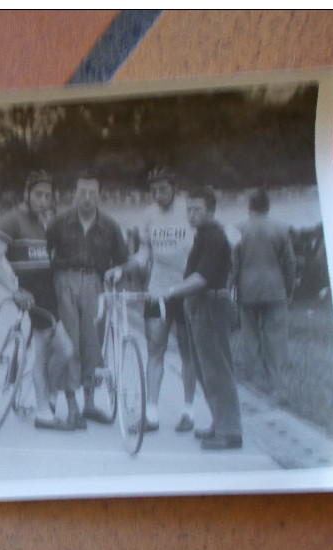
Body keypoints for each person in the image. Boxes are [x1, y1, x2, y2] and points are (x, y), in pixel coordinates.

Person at [106, 166, 197, 433]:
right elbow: (143, 254)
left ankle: (189, 411)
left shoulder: (188, 209)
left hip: (185, 289)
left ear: (174, 188)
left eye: (164, 189)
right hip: (157, 290)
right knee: (155, 349)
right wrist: (122, 269)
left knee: (187, 352)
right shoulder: (149, 215)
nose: (159, 194)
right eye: (154, 190)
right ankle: (152, 414)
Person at [0, 170, 75, 430]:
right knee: (55, 350)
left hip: (48, 292)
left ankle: (45, 401)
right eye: (38, 194)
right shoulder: (11, 221)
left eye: (47, 196)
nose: (43, 200)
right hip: (31, 294)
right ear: (26, 193)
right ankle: (43, 411)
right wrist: (13, 290)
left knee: (58, 351)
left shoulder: (41, 223)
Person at [47, 172, 130, 429]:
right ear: (74, 194)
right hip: (64, 281)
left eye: (92, 193)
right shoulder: (59, 222)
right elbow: (44, 255)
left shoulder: (110, 226)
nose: (86, 198)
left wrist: (118, 273)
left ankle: (90, 403)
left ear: (99, 196)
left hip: (95, 283)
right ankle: (72, 406)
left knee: (93, 342)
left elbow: (123, 260)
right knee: (70, 342)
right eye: (81, 192)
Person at [163, 185, 243, 450]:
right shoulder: (203, 234)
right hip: (201, 306)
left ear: (211, 210)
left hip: (211, 305)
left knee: (216, 370)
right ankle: (220, 424)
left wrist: (172, 290)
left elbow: (202, 278)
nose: (191, 214)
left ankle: (230, 432)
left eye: (197, 209)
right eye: (188, 209)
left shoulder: (213, 237)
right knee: (204, 369)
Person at [232, 188, 296, 399]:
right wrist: (289, 289)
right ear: (268, 206)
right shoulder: (281, 228)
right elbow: (289, 263)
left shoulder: (239, 229)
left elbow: (233, 265)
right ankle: (279, 383)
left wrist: (230, 289)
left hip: (247, 289)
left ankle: (256, 381)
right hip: (274, 288)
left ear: (249, 207)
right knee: (276, 337)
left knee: (249, 335)